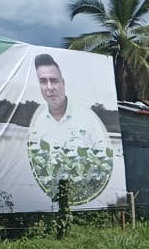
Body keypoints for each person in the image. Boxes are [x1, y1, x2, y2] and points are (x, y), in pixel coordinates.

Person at [27, 53, 114, 204]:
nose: (49, 88)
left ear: (63, 83)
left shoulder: (88, 118)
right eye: (43, 81)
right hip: (47, 203)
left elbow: (104, 164)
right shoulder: (37, 123)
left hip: (88, 202)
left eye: (54, 81)